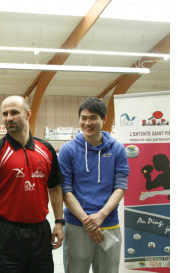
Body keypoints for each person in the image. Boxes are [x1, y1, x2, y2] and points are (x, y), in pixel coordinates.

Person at [0, 95, 64, 273]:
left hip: (40, 232)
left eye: (14, 112)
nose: (9, 118)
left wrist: (59, 222)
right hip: (7, 234)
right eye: (5, 114)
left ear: (28, 114)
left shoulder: (46, 150)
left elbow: (55, 187)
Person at [59, 97, 129, 273]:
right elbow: (66, 190)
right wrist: (86, 220)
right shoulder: (68, 150)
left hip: (109, 224)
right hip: (77, 225)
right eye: (83, 118)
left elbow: (120, 186)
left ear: (104, 119)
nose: (87, 123)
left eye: (93, 118)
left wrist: (102, 215)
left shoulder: (117, 149)